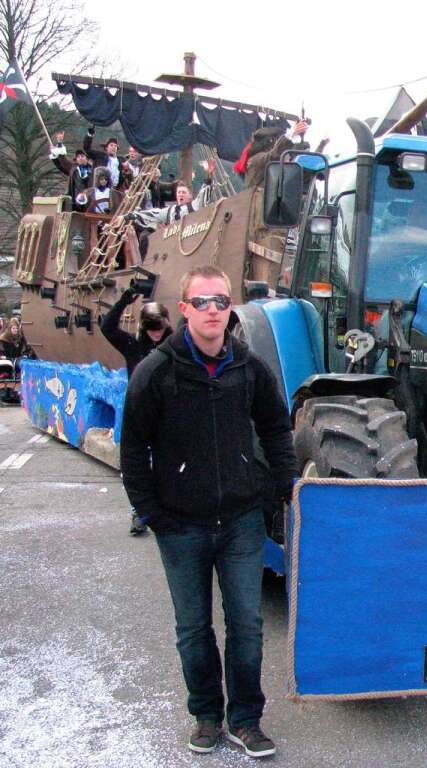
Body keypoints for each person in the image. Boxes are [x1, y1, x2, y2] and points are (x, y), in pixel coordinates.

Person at [120, 265, 297, 756]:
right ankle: (205, 715)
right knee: (194, 628)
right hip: (180, 526)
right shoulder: (155, 372)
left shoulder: (248, 367)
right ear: (184, 309)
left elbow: (276, 428)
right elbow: (133, 449)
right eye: (202, 302)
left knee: (247, 625)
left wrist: (286, 486)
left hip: (240, 521)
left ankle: (246, 720)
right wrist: (152, 513)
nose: (213, 311)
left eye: (221, 301)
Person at [101, 286, 172, 535]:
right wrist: (123, 302)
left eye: (159, 327)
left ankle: (170, 509)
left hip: (170, 412)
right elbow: (107, 328)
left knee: (169, 463)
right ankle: (140, 512)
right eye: (151, 327)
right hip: (141, 412)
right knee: (139, 465)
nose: (155, 333)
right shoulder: (133, 346)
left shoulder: (175, 345)